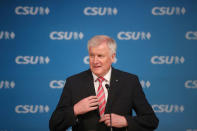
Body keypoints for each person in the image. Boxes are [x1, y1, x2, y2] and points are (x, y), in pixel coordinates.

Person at [49, 35, 159, 131]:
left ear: (112, 57)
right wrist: (75, 110)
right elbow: (54, 124)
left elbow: (151, 120)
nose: (95, 61)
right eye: (92, 55)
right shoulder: (74, 82)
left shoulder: (129, 82)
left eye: (100, 56)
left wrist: (126, 121)